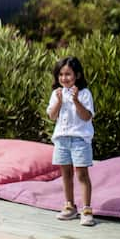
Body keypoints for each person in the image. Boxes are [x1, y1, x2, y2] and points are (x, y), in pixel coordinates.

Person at [46, 56, 96, 226]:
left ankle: (87, 209)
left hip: (79, 140)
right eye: (61, 74)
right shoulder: (56, 94)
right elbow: (52, 116)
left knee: (81, 174)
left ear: (78, 75)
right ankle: (69, 206)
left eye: (68, 74)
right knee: (66, 174)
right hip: (61, 139)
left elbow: (86, 116)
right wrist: (59, 102)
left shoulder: (84, 93)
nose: (64, 78)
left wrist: (75, 101)